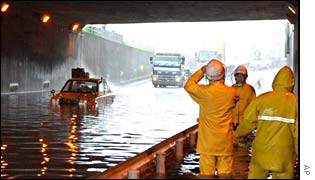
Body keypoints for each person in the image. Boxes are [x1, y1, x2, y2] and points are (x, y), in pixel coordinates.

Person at [234, 66, 298, 179]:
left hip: (260, 152)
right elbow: (298, 134)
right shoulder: (296, 103)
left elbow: (247, 122)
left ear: (275, 81)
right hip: (284, 154)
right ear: (292, 83)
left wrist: (240, 138)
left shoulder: (262, 99)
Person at [184, 59, 239, 177]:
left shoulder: (204, 93)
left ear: (208, 76)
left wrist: (201, 72)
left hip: (207, 144)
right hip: (224, 143)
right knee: (225, 174)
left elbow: (188, 85)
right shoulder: (232, 92)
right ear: (223, 74)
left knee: (206, 175)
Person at [231, 65, 256, 131]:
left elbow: (253, 106)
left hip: (244, 122)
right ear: (235, 77)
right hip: (232, 122)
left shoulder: (250, 90)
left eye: (242, 75)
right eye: (237, 75)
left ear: (246, 77)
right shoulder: (230, 89)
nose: (239, 77)